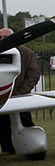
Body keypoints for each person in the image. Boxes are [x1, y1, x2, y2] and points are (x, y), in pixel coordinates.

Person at [0, 28, 42, 156]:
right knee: (2, 124)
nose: (3, 40)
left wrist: (21, 92)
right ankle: (7, 149)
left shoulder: (26, 53)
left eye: (6, 37)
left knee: (25, 121)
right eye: (0, 37)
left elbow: (33, 74)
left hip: (20, 96)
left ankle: (30, 148)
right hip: (2, 96)